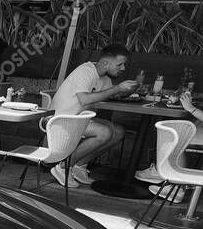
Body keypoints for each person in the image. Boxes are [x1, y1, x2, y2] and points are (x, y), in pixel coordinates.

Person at [136, 53, 203, 185]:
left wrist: (190, 108)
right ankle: (165, 174)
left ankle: (172, 182)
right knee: (187, 128)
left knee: (177, 135)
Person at [49, 43, 138, 187]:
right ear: (105, 63)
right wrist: (117, 88)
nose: (123, 68)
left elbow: (116, 95)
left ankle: (79, 166)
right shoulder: (85, 71)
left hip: (78, 118)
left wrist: (133, 86)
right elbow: (84, 99)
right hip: (62, 119)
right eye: (120, 64)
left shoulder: (105, 79)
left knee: (119, 132)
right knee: (104, 132)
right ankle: (63, 166)